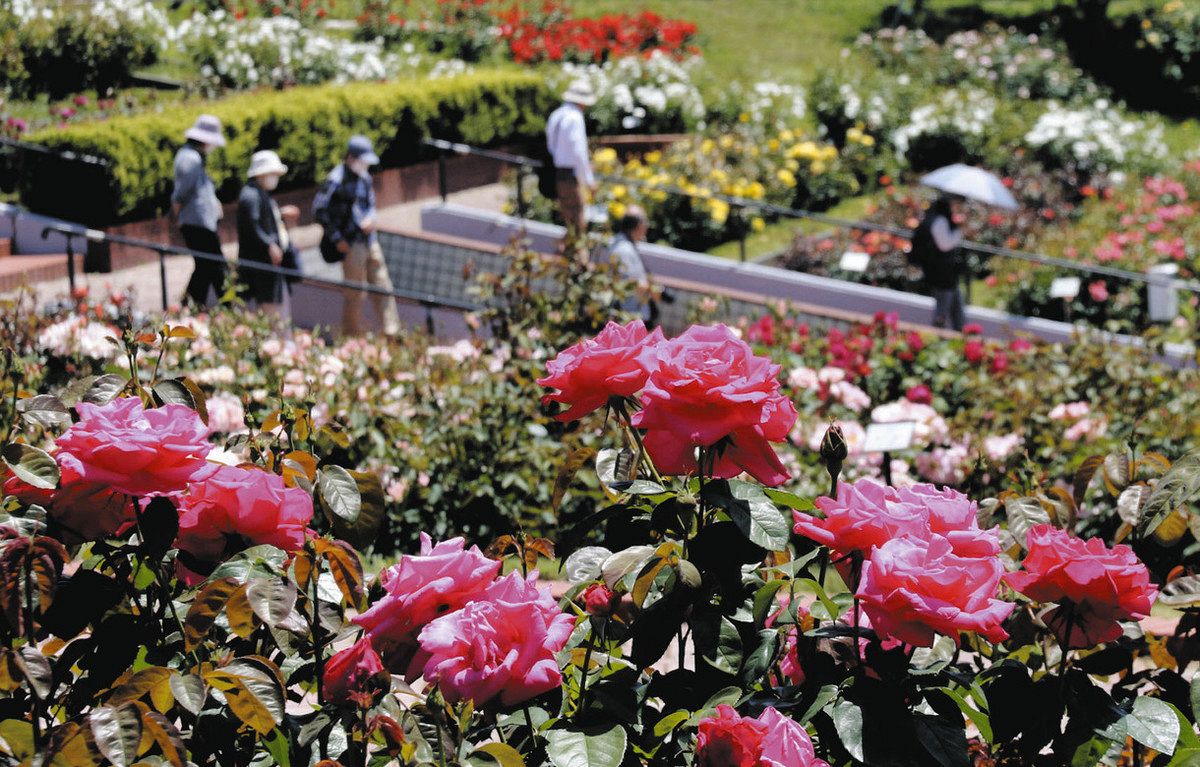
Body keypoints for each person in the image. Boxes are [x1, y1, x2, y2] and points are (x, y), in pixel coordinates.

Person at [313, 135, 401, 337]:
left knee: (383, 285)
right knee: (355, 293)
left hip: (370, 240)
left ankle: (392, 331)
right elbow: (319, 210)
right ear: (351, 157)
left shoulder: (365, 177)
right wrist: (337, 238)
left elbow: (370, 205)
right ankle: (352, 336)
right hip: (351, 244)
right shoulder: (336, 180)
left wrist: (372, 219)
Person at [237, 150, 300, 326]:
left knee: (277, 314)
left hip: (270, 268)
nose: (275, 178)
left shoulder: (259, 194)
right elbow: (252, 224)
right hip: (262, 270)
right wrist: (269, 245)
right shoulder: (251, 195)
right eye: (272, 173)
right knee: (271, 316)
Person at [173, 114, 228, 308]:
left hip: (200, 221)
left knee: (206, 266)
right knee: (216, 266)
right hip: (196, 222)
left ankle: (192, 306)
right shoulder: (191, 159)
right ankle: (220, 306)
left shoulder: (193, 156)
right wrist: (178, 214)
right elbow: (181, 193)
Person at [545, 79, 598, 243]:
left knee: (571, 219)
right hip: (569, 175)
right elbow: (578, 152)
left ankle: (569, 255)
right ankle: (573, 258)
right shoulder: (575, 117)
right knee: (578, 221)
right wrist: (589, 180)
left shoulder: (557, 114)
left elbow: (551, 146)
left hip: (558, 172)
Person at [912, 194, 966, 330]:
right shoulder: (939, 221)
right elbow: (944, 244)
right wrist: (960, 232)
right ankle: (937, 336)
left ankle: (961, 332)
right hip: (942, 273)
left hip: (946, 274)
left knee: (956, 307)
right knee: (942, 309)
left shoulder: (933, 218)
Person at [595, 205, 652, 322]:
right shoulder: (624, 250)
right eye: (646, 222)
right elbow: (632, 284)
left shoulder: (620, 245)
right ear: (639, 225)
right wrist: (652, 290)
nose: (647, 226)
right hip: (625, 317)